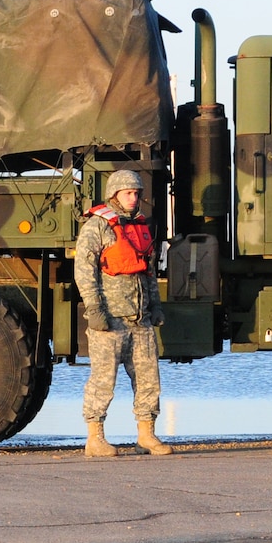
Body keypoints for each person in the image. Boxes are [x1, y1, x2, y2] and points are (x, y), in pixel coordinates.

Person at [77, 168, 171, 457]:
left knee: (148, 379)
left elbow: (148, 272)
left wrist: (154, 305)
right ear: (114, 194)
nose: (133, 198)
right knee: (103, 380)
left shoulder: (139, 227)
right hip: (110, 320)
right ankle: (95, 438)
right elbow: (84, 270)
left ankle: (146, 435)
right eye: (128, 193)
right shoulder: (97, 226)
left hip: (139, 319)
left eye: (136, 193)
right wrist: (94, 309)